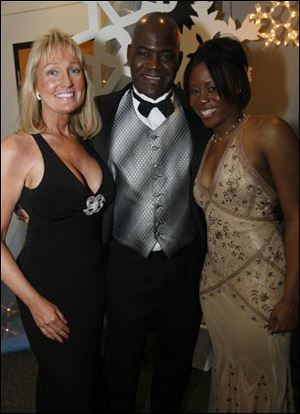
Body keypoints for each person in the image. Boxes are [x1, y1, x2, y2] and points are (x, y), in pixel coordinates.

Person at [92, 12, 211, 413]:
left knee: (174, 363)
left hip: (183, 261)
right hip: (125, 261)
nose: (154, 66)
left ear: (178, 60)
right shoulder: (97, 116)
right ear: (129, 55)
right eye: (144, 53)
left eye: (165, 56)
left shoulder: (200, 120)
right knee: (120, 363)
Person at [1, 29, 114, 413]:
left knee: (83, 386)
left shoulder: (87, 140)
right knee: (71, 391)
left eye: (74, 70)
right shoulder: (18, 149)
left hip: (91, 290)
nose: (66, 81)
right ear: (34, 85)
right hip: (49, 295)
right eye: (52, 72)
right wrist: (35, 304)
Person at [184, 36, 299, 412]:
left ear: (236, 83)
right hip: (215, 287)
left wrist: (291, 297)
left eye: (213, 88)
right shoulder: (207, 141)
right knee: (229, 379)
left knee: (264, 384)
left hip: (262, 289)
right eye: (195, 90)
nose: (203, 99)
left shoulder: (269, 131)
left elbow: (297, 215)